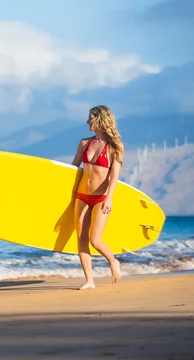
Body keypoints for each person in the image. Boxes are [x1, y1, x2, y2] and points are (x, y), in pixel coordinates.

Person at [71, 105, 124, 290]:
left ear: (100, 119)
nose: (87, 121)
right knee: (81, 239)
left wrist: (109, 198)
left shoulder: (115, 146)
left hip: (101, 198)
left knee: (95, 240)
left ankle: (113, 261)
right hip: (81, 195)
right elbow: (73, 169)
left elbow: (114, 177)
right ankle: (89, 280)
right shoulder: (84, 143)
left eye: (90, 118)